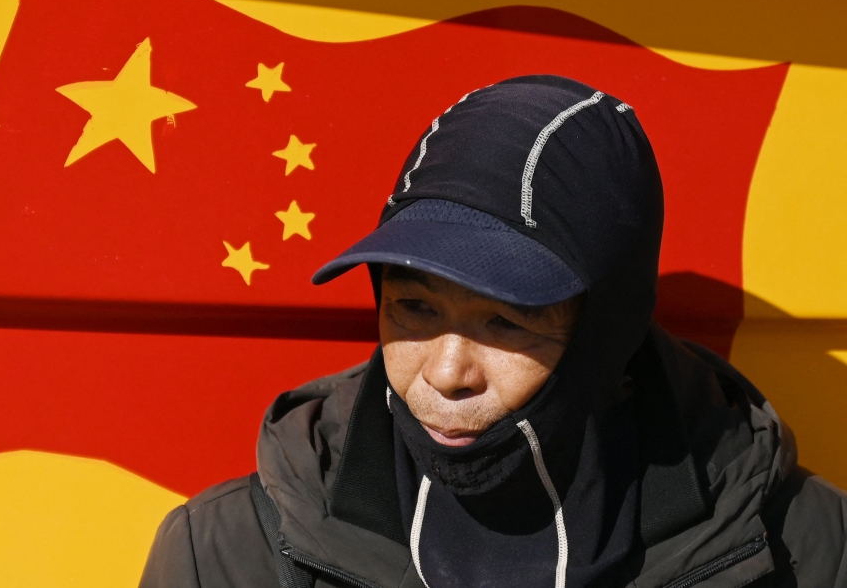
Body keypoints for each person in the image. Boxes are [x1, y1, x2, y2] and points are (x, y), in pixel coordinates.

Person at [139, 75, 847, 588]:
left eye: (505, 321)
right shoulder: (227, 554)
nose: (447, 373)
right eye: (414, 308)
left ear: (607, 330)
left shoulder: (805, 548)